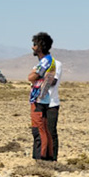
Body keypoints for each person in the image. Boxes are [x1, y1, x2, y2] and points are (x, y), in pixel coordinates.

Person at [27, 32, 60, 161]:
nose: (32, 47)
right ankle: (42, 159)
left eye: (35, 44)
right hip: (39, 100)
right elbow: (33, 77)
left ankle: (44, 160)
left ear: (40, 46)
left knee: (42, 132)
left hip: (43, 101)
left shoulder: (49, 63)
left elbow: (46, 81)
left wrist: (36, 74)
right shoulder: (42, 64)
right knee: (40, 131)